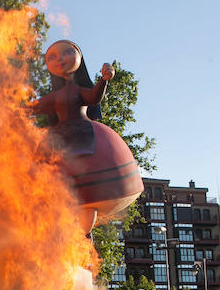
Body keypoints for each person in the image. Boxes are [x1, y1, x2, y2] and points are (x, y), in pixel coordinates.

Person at [31, 40, 144, 233]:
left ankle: (84, 236)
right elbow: (36, 106)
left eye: (66, 52)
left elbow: (93, 97)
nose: (60, 59)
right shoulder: (55, 96)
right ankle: (63, 237)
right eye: (52, 57)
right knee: (53, 190)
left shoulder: (77, 90)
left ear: (79, 58)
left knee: (88, 195)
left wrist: (104, 80)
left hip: (84, 134)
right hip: (59, 141)